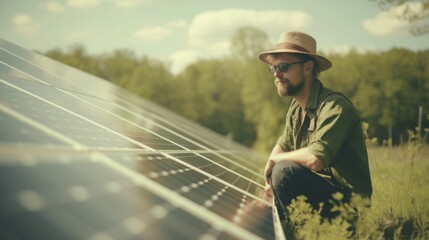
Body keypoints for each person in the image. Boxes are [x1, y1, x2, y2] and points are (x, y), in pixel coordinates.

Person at [258, 31, 372, 220]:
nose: (276, 73)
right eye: (273, 68)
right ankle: (281, 226)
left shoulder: (335, 106)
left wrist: (275, 162)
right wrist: (267, 191)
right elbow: (278, 152)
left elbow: (315, 159)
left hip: (350, 206)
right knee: (280, 170)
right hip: (322, 193)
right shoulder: (295, 108)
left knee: (284, 170)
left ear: (308, 67)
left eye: (283, 66)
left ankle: (293, 229)